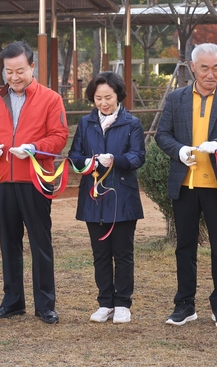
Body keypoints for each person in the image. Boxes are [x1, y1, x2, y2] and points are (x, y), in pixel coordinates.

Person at [155, 43, 217, 329]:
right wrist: (179, 150)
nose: (211, 73)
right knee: (184, 247)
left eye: (216, 67)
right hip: (185, 183)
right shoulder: (176, 98)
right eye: (205, 67)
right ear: (192, 67)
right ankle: (185, 304)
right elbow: (162, 134)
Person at [0, 41, 68, 324]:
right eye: (8, 71)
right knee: (8, 242)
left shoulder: (51, 98)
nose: (14, 77)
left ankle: (45, 305)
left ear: (32, 67)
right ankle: (13, 301)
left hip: (36, 179)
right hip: (4, 179)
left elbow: (59, 136)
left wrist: (34, 148)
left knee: (40, 242)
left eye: (19, 70)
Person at [68, 72, 145, 324]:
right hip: (93, 196)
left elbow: (137, 156)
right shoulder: (86, 123)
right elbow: (74, 155)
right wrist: (87, 162)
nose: (103, 103)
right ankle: (104, 302)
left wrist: (115, 160)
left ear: (119, 96)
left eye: (108, 97)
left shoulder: (131, 123)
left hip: (122, 196)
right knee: (100, 253)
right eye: (98, 98)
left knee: (122, 252)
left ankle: (123, 302)